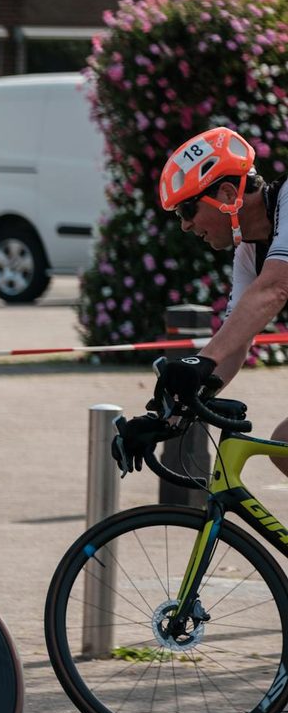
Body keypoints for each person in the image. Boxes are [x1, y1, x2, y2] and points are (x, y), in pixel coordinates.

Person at [117, 126, 288, 473]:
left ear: (227, 194)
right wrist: (168, 418)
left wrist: (200, 362)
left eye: (187, 211)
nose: (184, 225)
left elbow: (275, 288)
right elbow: (235, 344)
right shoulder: (248, 253)